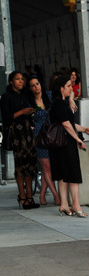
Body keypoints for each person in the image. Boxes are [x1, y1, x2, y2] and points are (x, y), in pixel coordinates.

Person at [48, 75, 89, 217]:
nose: (70, 88)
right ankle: (75, 205)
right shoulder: (59, 104)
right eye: (68, 86)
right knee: (72, 175)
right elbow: (66, 125)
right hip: (65, 143)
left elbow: (70, 124)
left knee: (63, 175)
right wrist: (78, 140)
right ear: (61, 88)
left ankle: (64, 205)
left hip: (61, 144)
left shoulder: (61, 103)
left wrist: (84, 129)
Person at [0, 71, 39, 209]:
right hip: (16, 133)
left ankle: (29, 197)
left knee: (30, 165)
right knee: (20, 165)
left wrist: (30, 111)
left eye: (22, 79)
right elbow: (6, 118)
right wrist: (22, 112)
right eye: (17, 79)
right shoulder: (6, 97)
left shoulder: (25, 95)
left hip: (28, 132)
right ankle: (22, 197)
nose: (21, 81)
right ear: (11, 82)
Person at [28, 75, 61, 206]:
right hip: (39, 137)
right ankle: (56, 195)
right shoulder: (29, 101)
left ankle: (42, 194)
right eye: (32, 85)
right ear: (30, 88)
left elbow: (61, 97)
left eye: (37, 84)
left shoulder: (49, 95)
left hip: (52, 135)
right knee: (46, 167)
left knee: (50, 167)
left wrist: (71, 101)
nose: (36, 87)